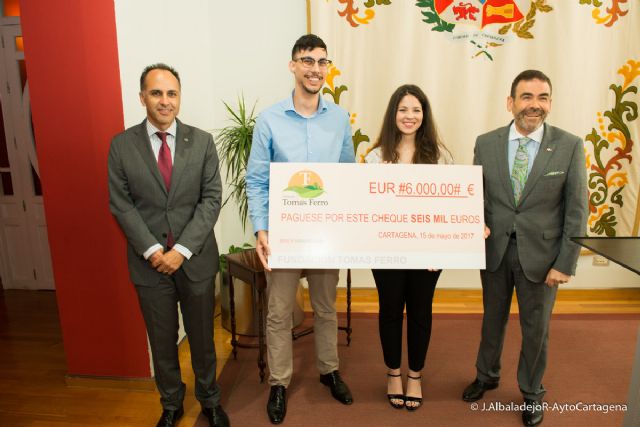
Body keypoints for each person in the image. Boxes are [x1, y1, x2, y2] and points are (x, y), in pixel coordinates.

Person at [462, 70, 587, 427]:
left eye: (543, 97)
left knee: (537, 329)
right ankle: (486, 375)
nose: (535, 105)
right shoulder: (486, 143)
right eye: (527, 97)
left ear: (550, 103)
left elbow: (577, 209)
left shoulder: (569, 145)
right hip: (495, 252)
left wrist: (566, 262)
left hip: (543, 259)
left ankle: (532, 392)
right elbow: (477, 197)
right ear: (511, 102)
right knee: (492, 321)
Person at [108, 64, 229, 427]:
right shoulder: (121, 145)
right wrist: (152, 250)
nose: (165, 101)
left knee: (203, 339)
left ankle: (209, 400)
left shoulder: (202, 141)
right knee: (162, 342)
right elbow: (121, 203)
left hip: (195, 261)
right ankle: (172, 404)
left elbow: (211, 200)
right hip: (150, 265)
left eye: (172, 93)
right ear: (142, 96)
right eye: (157, 93)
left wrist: (182, 250)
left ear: (179, 97)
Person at [245, 34, 356, 425]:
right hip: (285, 235)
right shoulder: (270, 120)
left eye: (322, 61)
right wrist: (262, 230)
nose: (315, 68)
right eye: (307, 60)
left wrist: (346, 228)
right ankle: (279, 383)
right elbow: (257, 180)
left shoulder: (340, 118)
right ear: (293, 65)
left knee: (326, 307)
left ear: (328, 68)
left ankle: (329, 371)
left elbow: (347, 177)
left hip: (325, 235)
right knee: (278, 313)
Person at [364, 84, 452, 411]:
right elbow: (366, 209)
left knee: (419, 311)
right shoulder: (375, 158)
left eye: (416, 110)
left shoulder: (441, 157)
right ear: (393, 115)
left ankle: (414, 375)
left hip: (428, 253)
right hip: (386, 251)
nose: (410, 116)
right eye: (403, 110)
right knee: (389, 311)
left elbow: (449, 209)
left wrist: (441, 248)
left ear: (424, 115)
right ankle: (393, 372)